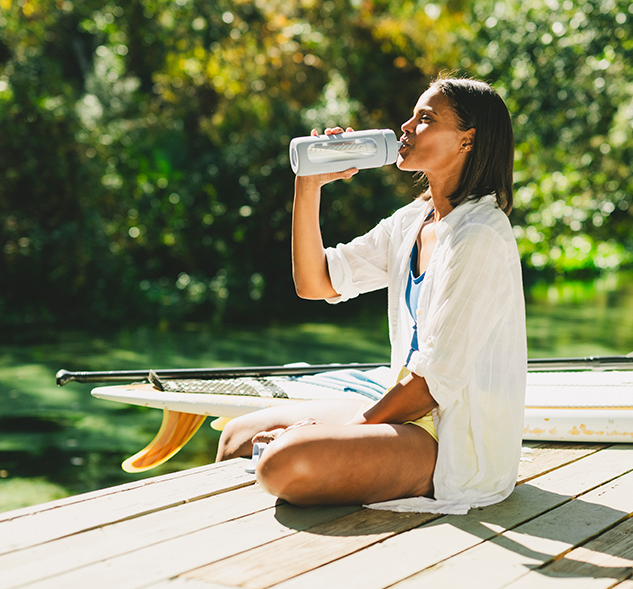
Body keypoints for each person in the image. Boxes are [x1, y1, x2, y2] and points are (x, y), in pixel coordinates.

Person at [215, 76, 527, 515]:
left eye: (426, 119)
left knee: (283, 461)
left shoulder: (480, 236)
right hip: (408, 414)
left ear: (467, 141)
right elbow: (315, 282)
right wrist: (309, 184)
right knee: (237, 437)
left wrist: (346, 431)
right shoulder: (411, 222)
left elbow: (432, 384)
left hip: (453, 440)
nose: (406, 125)